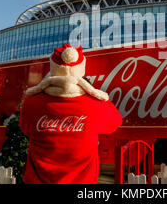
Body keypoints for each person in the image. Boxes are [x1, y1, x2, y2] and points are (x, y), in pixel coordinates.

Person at [19, 43, 122, 184]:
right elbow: (116, 121)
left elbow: (25, 128)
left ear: (53, 69)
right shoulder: (96, 105)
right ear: (80, 70)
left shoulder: (31, 103)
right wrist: (92, 91)